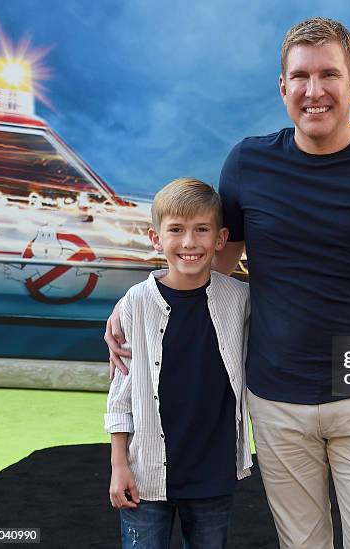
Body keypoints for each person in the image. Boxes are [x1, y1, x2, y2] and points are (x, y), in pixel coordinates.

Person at [106, 18, 350, 549]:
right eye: (301, 77)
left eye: (329, 75)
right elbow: (209, 272)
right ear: (282, 86)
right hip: (275, 401)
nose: (315, 91)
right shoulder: (248, 162)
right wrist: (138, 305)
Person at [105, 178, 252, 549]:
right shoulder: (136, 303)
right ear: (156, 239)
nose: (189, 243)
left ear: (220, 239)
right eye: (176, 231)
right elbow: (121, 393)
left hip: (213, 475)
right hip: (145, 474)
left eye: (201, 230)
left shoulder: (240, 300)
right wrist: (118, 465)